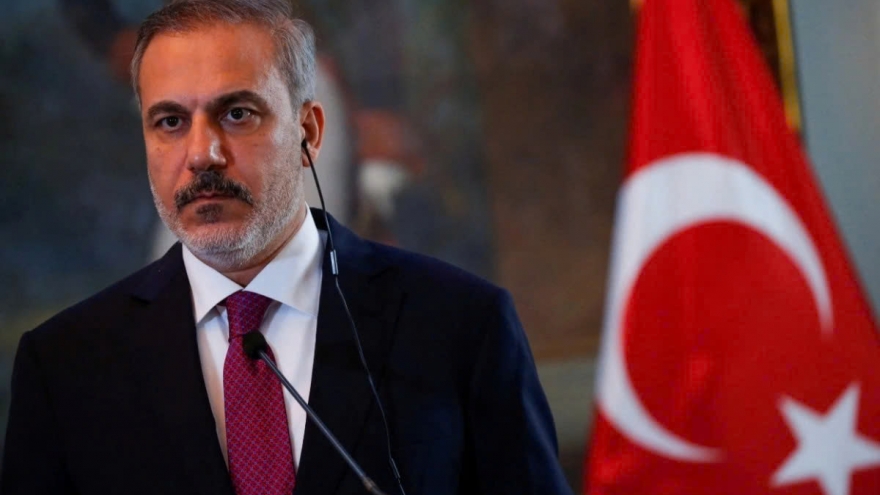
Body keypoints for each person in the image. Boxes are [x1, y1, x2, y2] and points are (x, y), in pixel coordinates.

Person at [0, 1, 572, 494]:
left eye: (237, 114)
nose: (201, 154)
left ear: (310, 133)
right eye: (170, 122)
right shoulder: (65, 365)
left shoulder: (462, 325)